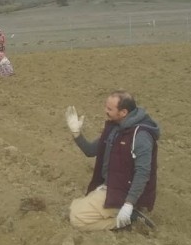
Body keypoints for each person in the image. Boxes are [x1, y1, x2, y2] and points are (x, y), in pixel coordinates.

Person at [65, 91, 160, 231]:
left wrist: (129, 203)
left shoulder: (140, 136)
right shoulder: (116, 128)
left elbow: (143, 173)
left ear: (123, 112)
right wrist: (76, 133)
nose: (105, 111)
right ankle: (118, 211)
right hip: (112, 186)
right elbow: (90, 151)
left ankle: (129, 218)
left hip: (124, 193)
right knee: (73, 208)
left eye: (109, 109)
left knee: (77, 219)